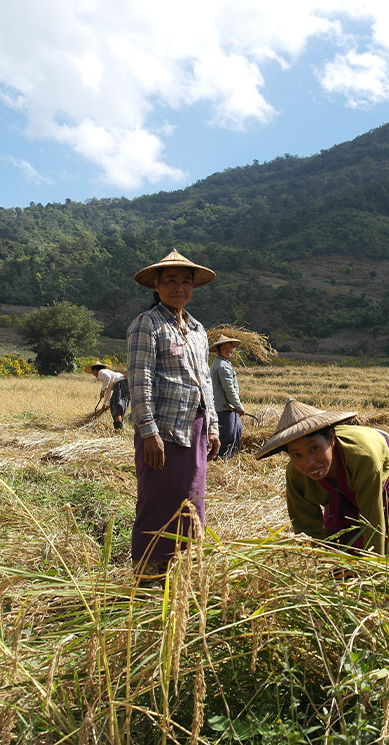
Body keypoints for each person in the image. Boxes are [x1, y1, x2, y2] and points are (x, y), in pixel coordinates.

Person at [127, 248, 221, 583]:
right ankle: (149, 576)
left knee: (191, 498)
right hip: (163, 430)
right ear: (157, 285)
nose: (178, 287)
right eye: (170, 281)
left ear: (193, 286)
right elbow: (140, 379)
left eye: (185, 281)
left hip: (193, 428)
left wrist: (211, 426)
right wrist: (148, 431)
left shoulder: (197, 329)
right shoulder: (147, 324)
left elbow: (204, 381)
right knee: (158, 501)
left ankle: (183, 571)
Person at [255, 398, 389, 556]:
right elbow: (306, 529)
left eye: (314, 448)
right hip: (341, 487)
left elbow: (373, 522)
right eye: (296, 454)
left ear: (331, 438)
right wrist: (317, 564)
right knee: (336, 543)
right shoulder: (296, 474)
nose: (309, 462)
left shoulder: (363, 459)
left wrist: (374, 568)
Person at [209, 334, 245, 459]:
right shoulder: (222, 366)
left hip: (228, 407)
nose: (229, 350)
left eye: (230, 347)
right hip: (224, 408)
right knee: (228, 436)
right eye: (225, 348)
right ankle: (221, 461)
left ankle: (232, 458)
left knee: (237, 431)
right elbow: (229, 390)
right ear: (219, 350)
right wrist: (239, 406)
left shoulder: (222, 363)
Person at [87, 363, 129, 430]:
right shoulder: (107, 374)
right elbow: (108, 391)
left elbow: (107, 378)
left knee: (116, 408)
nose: (93, 374)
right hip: (123, 385)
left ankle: (118, 430)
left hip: (120, 384)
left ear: (95, 370)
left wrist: (102, 390)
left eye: (92, 372)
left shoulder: (101, 372)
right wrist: (105, 403)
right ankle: (119, 428)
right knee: (117, 407)